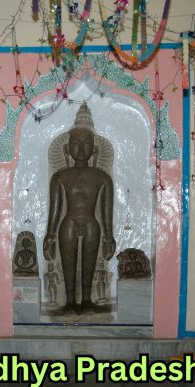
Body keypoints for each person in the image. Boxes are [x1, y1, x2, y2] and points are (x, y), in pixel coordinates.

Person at [43, 103, 115, 314]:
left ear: (95, 149)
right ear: (67, 149)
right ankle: (69, 302)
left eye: (87, 143)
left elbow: (107, 211)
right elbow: (55, 209)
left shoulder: (103, 178)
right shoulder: (60, 177)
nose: (81, 148)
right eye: (76, 142)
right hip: (69, 222)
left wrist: (109, 236)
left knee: (89, 264)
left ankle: (86, 300)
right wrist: (50, 234)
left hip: (92, 223)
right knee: (68, 265)